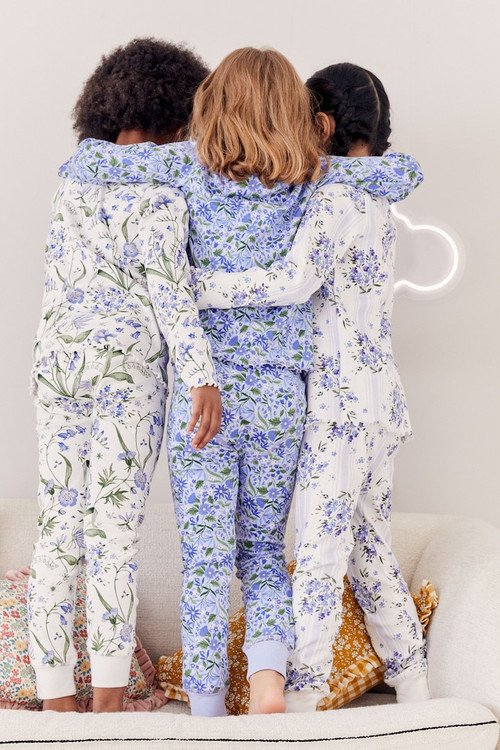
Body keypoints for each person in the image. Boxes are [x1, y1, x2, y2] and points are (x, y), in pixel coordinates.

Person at [59, 48, 423, 716]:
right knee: (261, 553)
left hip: (206, 397)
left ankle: (205, 712)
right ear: (293, 111)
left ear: (210, 106)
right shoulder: (312, 175)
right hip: (281, 397)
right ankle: (267, 686)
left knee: (205, 560)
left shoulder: (186, 167)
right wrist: (339, 161)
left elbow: (85, 163)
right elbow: (403, 174)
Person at [189, 62, 431, 710]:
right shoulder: (378, 198)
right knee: (371, 552)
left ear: (319, 126)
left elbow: (292, 282)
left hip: (339, 404)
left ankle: (301, 702)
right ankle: (418, 690)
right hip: (382, 403)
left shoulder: (333, 200)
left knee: (319, 556)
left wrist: (201, 288)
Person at [28, 38, 222, 714]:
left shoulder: (71, 183)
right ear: (179, 113)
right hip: (125, 372)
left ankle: (55, 703)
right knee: (113, 535)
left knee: (58, 531)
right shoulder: (163, 195)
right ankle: (108, 705)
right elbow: (173, 293)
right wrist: (202, 377)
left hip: (56, 365)